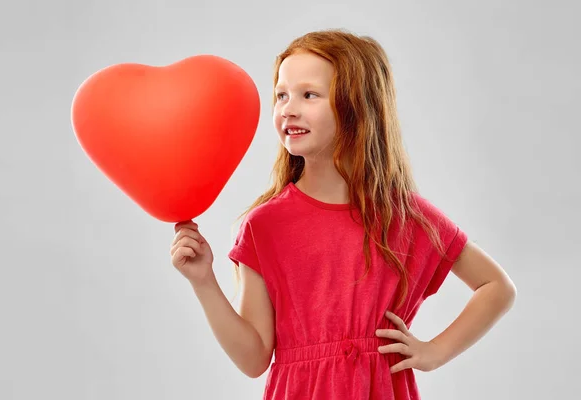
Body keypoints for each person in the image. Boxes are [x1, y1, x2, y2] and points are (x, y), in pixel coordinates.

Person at [169, 29, 517, 399]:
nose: (288, 108)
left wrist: (434, 352)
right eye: (281, 95)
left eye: (309, 95)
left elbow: (496, 287)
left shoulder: (406, 216)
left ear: (356, 106)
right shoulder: (264, 226)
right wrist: (203, 281)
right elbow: (254, 359)